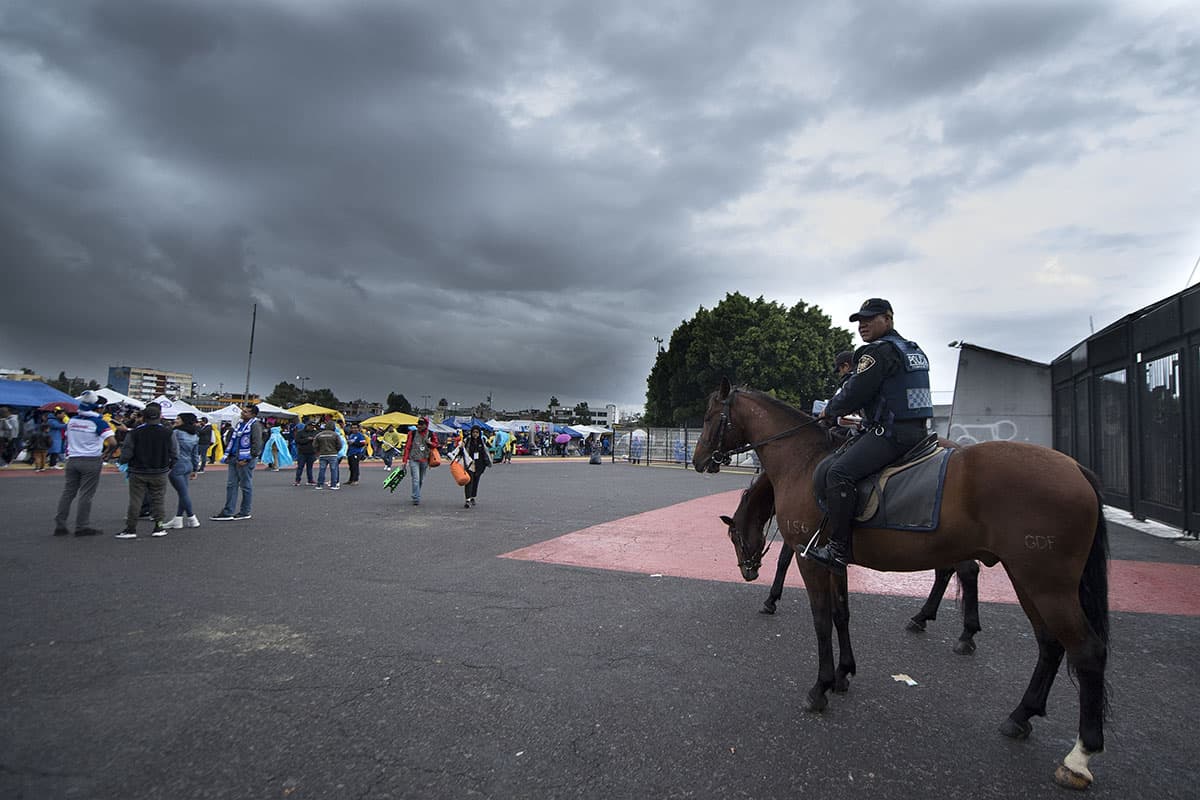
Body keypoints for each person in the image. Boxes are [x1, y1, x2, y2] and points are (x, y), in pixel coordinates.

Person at [807, 298, 933, 574]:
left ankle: (838, 550)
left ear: (888, 319)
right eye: (859, 321)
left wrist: (829, 411)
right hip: (919, 432)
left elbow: (856, 391)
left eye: (869, 319)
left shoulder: (876, 352)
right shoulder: (913, 350)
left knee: (838, 472)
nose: (862, 325)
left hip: (891, 435)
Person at [53, 391, 116, 536]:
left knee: (68, 493)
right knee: (86, 494)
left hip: (73, 459)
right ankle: (81, 526)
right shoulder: (98, 422)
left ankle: (60, 524)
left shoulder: (72, 421)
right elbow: (112, 442)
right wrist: (107, 453)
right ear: (98, 408)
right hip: (91, 459)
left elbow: (68, 437)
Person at [116, 402, 177, 539]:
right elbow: (174, 452)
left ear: (143, 417)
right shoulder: (168, 432)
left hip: (138, 470)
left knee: (135, 500)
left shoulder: (136, 432)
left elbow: (126, 452)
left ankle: (131, 528)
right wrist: (170, 464)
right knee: (158, 499)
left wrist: (123, 462)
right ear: (159, 417)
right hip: (160, 470)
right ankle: (159, 526)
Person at [211, 404, 263, 521]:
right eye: (243, 411)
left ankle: (245, 511)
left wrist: (248, 458)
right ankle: (228, 511)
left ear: (253, 414)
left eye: (246, 412)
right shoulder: (240, 424)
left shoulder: (255, 425)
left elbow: (257, 443)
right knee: (231, 485)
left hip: (245, 459)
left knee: (245, 486)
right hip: (234, 457)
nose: (242, 413)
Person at [164, 413, 201, 529]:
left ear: (185, 420)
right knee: (183, 492)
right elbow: (195, 455)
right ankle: (178, 518)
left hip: (177, 465)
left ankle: (192, 517)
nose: (176, 420)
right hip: (188, 464)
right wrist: (195, 469)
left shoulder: (175, 433)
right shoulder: (195, 435)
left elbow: (170, 449)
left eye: (179, 418)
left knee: (183, 493)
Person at [400, 416, 440, 506]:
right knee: (416, 479)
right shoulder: (412, 433)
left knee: (420, 480)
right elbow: (407, 447)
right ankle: (416, 497)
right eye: (418, 424)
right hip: (414, 459)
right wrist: (404, 461)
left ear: (426, 425)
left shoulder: (431, 434)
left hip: (425, 459)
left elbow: (436, 444)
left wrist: (430, 443)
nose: (419, 426)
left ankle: (416, 493)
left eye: (421, 424)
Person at [451, 425, 492, 508]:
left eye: (477, 432)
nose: (475, 434)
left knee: (476, 481)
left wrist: (488, 461)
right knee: (469, 481)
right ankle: (468, 499)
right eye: (474, 432)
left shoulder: (482, 441)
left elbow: (487, 450)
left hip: (480, 464)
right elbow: (460, 449)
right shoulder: (468, 440)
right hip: (469, 463)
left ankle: (473, 496)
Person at [313, 422, 342, 489]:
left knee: (322, 469)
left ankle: (319, 485)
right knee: (333, 470)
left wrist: (318, 451)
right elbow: (339, 445)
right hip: (333, 454)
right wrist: (336, 450)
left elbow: (314, 445)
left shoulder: (319, 435)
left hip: (322, 454)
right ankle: (333, 485)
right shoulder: (335, 435)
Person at [293, 418, 318, 486]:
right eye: (311, 426)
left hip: (311, 452)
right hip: (302, 452)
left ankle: (310, 480)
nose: (312, 428)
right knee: (300, 467)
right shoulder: (300, 432)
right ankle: (297, 480)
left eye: (313, 426)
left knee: (310, 467)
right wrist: (307, 439)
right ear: (307, 426)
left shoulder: (315, 433)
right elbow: (297, 441)